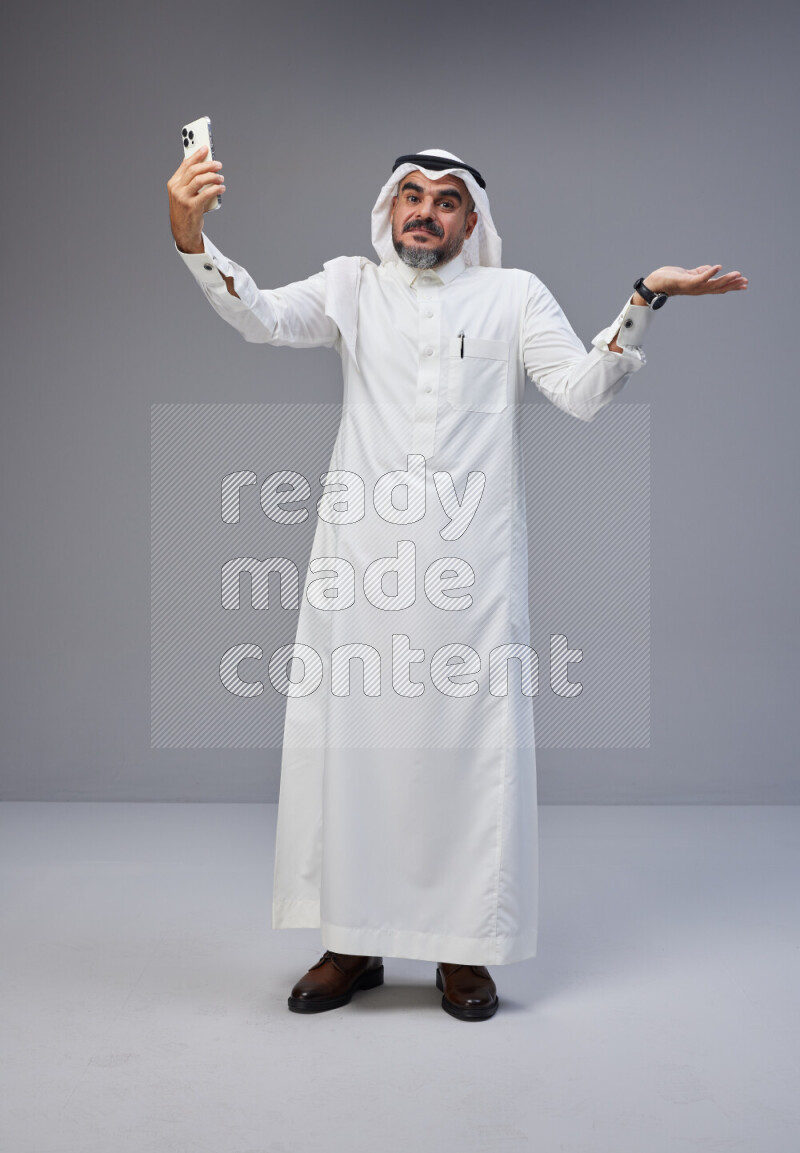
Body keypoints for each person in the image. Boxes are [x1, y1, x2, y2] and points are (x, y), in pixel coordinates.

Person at [167, 145, 747, 1022]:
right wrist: (189, 230)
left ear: (472, 221)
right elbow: (262, 317)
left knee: (466, 755)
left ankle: (463, 952)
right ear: (387, 209)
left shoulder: (512, 297)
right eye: (410, 197)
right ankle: (351, 944)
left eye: (445, 201)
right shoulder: (349, 286)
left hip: (469, 574)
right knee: (352, 751)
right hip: (359, 567)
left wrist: (643, 299)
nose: (425, 213)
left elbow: (581, 391)